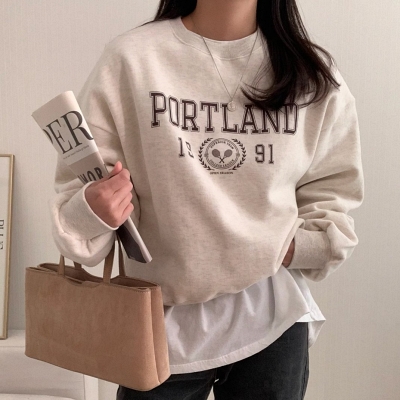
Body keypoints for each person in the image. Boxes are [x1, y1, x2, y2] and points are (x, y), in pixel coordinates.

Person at [50, 0, 364, 399]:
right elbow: (79, 187)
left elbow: (333, 190)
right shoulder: (133, 59)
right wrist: (93, 211)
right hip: (159, 324)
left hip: (271, 315)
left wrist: (288, 248)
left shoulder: (309, 71)